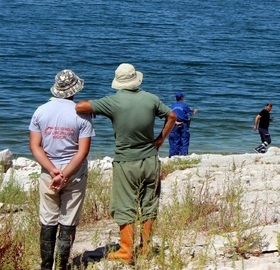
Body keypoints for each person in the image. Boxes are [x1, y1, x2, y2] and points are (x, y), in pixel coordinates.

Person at [75, 63, 176, 263]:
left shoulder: (113, 102)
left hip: (126, 161)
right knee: (149, 204)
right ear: (136, 79)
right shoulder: (151, 98)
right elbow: (172, 116)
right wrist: (160, 140)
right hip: (150, 159)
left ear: (118, 82)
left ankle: (126, 251)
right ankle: (145, 248)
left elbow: (81, 106)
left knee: (124, 204)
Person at [29, 70, 95, 270]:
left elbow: (35, 146)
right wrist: (64, 174)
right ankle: (61, 265)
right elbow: (82, 152)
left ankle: (46, 266)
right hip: (73, 171)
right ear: (75, 90)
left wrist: (52, 171)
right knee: (69, 219)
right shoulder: (82, 113)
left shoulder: (41, 110)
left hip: (48, 171)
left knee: (48, 218)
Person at [168, 92, 198, 157]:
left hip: (174, 124)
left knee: (175, 140)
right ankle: (183, 155)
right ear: (182, 98)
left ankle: (173, 155)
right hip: (183, 124)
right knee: (184, 139)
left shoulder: (172, 106)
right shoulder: (184, 106)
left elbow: (168, 116)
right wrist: (195, 110)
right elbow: (192, 113)